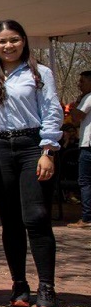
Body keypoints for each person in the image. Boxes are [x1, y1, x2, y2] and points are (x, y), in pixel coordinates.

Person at [0, 20, 63, 307]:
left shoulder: (40, 73)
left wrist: (48, 150)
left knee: (36, 217)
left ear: (24, 41)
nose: (8, 46)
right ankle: (19, 285)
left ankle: (46, 287)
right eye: (2, 41)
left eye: (13, 40)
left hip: (32, 146)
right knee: (10, 220)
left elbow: (51, 110)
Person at [68, 70, 91, 229]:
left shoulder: (88, 98)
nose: (79, 85)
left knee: (85, 181)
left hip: (88, 146)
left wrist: (76, 103)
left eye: (83, 81)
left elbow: (76, 117)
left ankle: (87, 217)